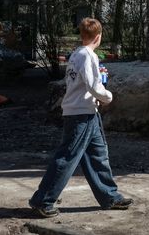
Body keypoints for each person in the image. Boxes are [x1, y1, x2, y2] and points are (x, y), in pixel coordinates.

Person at [28, 18, 132, 218]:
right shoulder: (88, 56)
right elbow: (93, 87)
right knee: (67, 157)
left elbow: (81, 83)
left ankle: (110, 196)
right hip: (81, 114)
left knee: (98, 155)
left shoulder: (76, 54)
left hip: (85, 112)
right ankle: (43, 200)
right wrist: (107, 96)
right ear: (98, 37)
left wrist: (98, 83)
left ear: (82, 35)